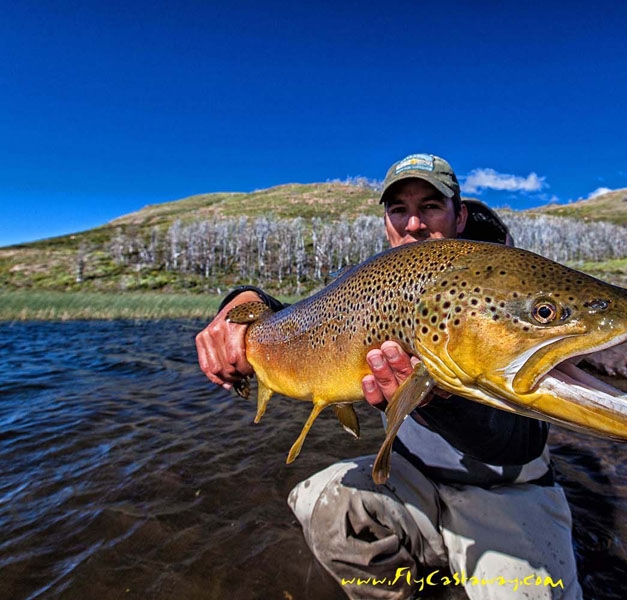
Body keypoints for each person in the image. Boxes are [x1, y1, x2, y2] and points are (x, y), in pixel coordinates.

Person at [196, 153, 582, 600]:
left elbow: (521, 442)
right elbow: (302, 324)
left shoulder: (518, 296)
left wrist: (438, 401)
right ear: (386, 222)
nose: (414, 223)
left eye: (430, 206)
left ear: (460, 215)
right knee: (325, 506)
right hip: (413, 484)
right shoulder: (381, 286)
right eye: (399, 210)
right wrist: (246, 300)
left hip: (505, 493)